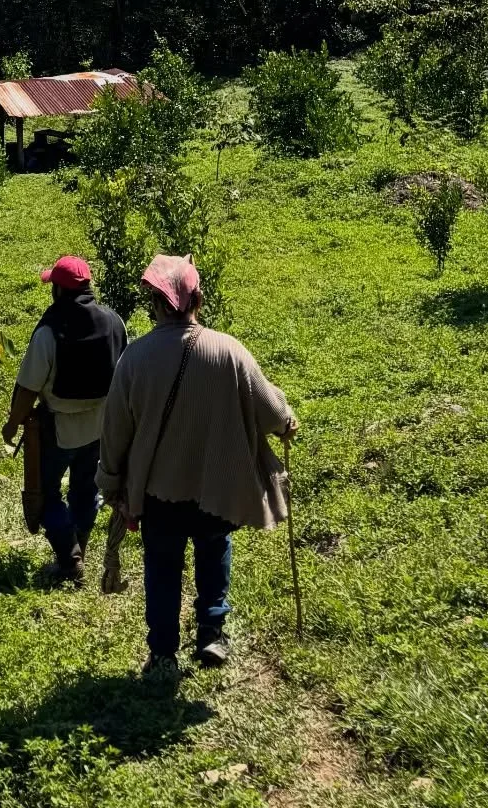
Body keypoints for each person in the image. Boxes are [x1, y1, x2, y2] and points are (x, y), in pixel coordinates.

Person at [97, 253, 297, 682]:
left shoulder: (134, 359)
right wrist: (285, 420)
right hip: (216, 487)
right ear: (198, 299)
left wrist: (110, 481)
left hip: (157, 493)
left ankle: (164, 654)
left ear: (155, 302)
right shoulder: (230, 351)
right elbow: (271, 409)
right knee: (213, 548)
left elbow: (114, 430)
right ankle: (211, 632)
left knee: (162, 566)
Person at [1, 254, 127, 584]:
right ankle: (78, 549)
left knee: (43, 493)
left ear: (58, 289)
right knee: (86, 491)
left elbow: (28, 388)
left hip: (58, 428)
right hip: (101, 426)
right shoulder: (114, 322)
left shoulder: (50, 331)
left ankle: (70, 558)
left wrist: (12, 424)